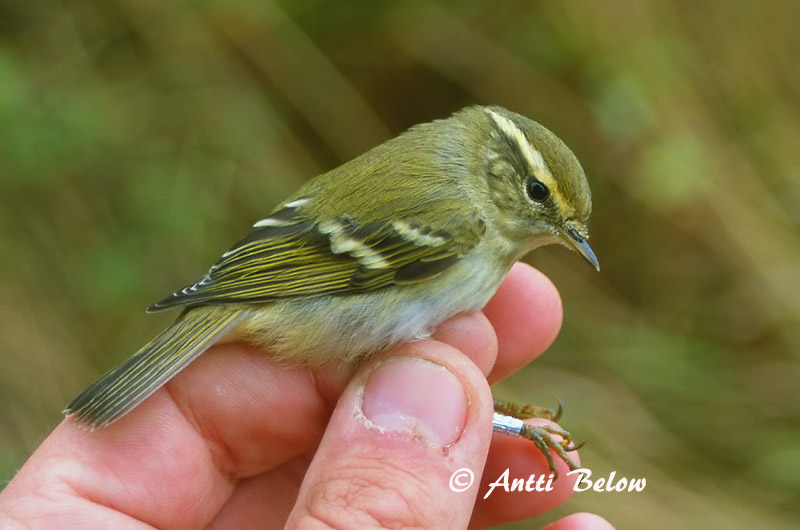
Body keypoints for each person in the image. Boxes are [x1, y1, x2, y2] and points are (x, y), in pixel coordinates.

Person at [0, 264, 613, 529]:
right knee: (413, 387)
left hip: (311, 302)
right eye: (540, 200)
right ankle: (504, 424)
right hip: (306, 299)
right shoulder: (459, 223)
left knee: (419, 375)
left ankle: (502, 422)